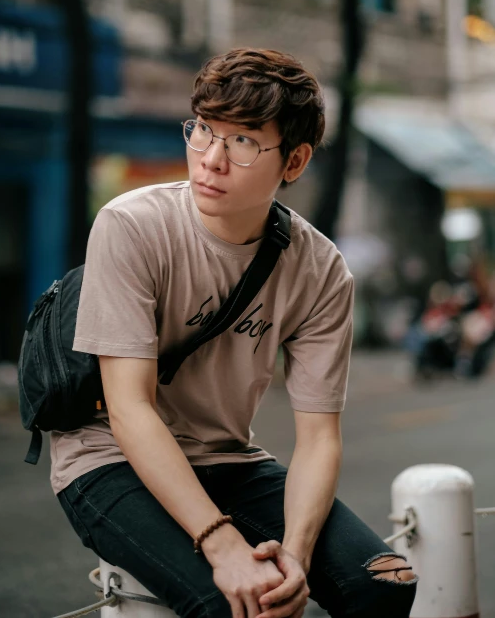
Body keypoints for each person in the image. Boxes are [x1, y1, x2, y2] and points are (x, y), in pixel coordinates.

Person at [54, 48, 418, 618]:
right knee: (231, 604)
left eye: (244, 141)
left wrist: (293, 558)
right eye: (203, 131)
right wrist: (223, 547)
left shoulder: (320, 270)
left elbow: (319, 438)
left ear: (294, 162)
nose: (211, 159)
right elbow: (129, 410)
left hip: (228, 460)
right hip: (106, 457)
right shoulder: (132, 225)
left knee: (382, 585)